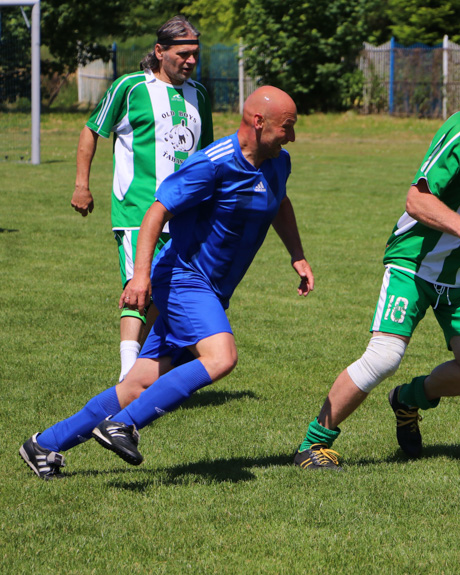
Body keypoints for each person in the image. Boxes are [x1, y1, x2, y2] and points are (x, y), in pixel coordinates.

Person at [19, 86, 312, 479]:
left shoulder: (278, 162)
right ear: (258, 123)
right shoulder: (213, 163)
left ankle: (44, 445)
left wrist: (297, 254)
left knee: (138, 383)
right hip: (183, 278)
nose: (291, 136)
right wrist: (140, 277)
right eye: (286, 127)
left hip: (211, 289)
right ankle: (123, 425)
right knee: (222, 356)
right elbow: (156, 212)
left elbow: (279, 202)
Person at [292, 66, 460, 471]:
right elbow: (417, 200)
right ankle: (312, 444)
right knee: (384, 356)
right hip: (415, 263)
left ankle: (408, 399)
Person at [71, 15, 214, 381]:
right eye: (183, 54)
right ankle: (126, 378)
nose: (191, 61)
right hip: (137, 210)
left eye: (195, 54)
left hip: (185, 215)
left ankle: (143, 369)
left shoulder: (200, 95)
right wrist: (81, 184)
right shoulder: (131, 88)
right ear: (159, 51)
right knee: (137, 287)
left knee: (164, 289)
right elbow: (92, 130)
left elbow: (207, 157)